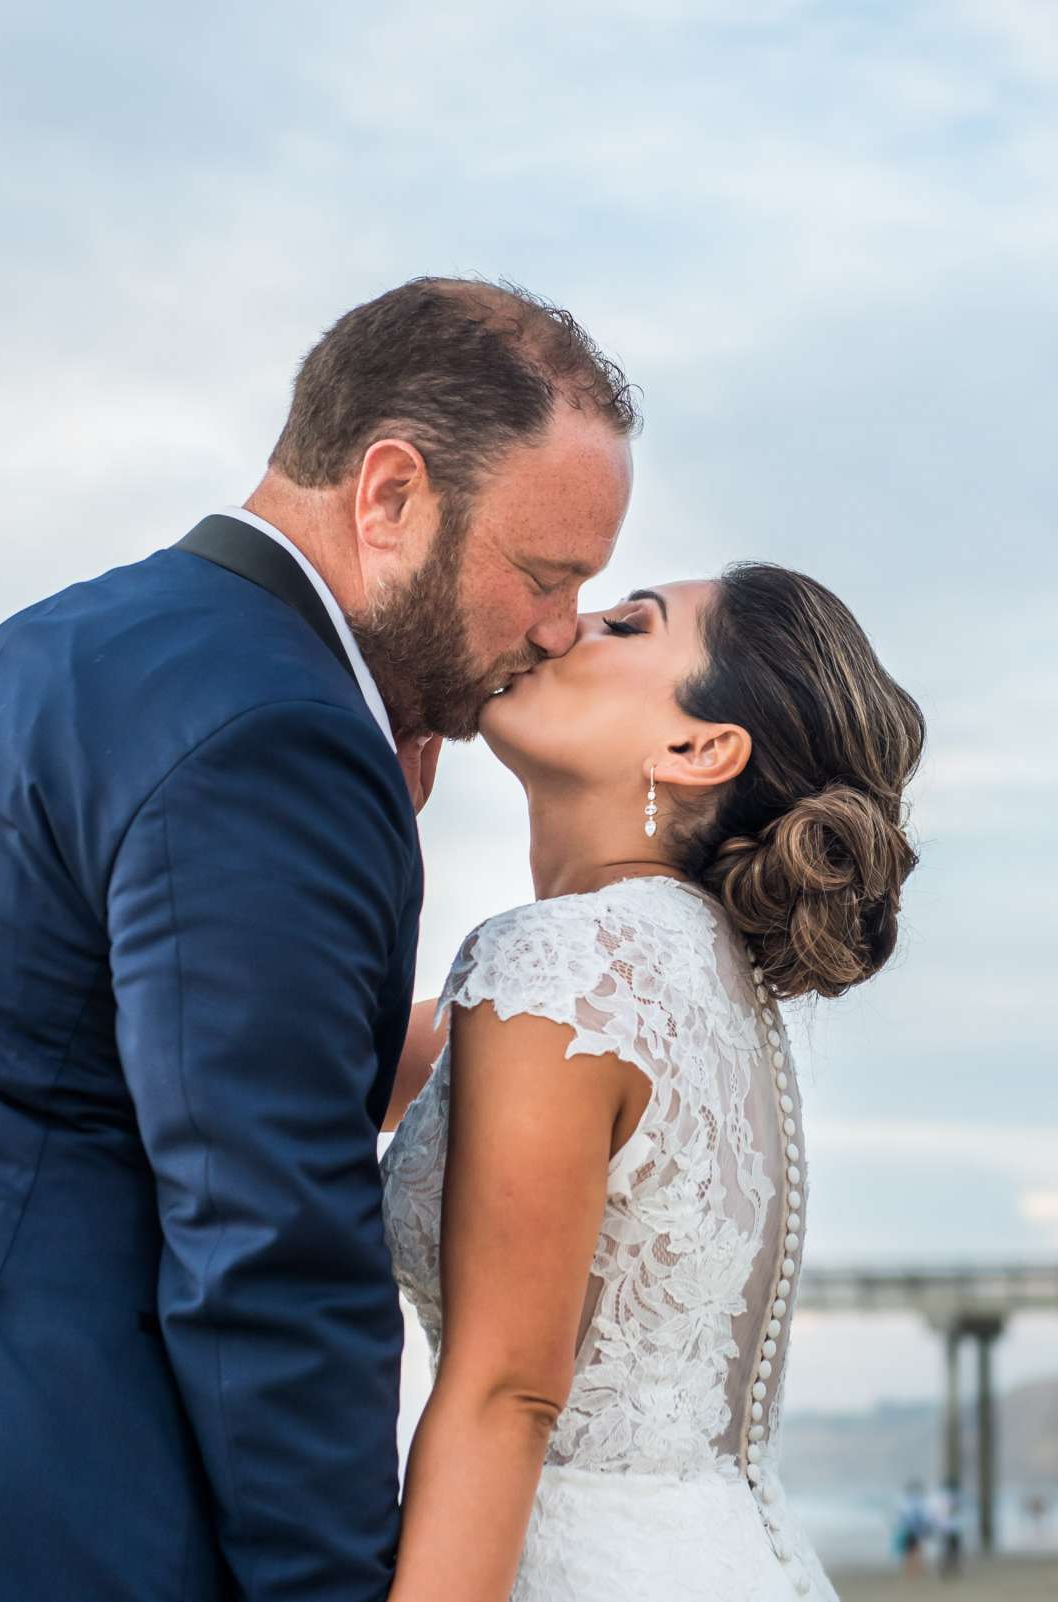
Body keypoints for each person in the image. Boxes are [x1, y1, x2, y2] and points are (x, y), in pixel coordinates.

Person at [0, 277, 638, 1602]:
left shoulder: (31, 656)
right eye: (543, 575)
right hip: (16, 1517)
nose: (558, 628)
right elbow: (266, 1239)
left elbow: (76, 1065)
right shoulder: (278, 730)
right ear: (389, 493)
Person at [378, 562, 925, 1601]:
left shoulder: (570, 969)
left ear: (697, 748)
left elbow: (506, 1395)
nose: (562, 625)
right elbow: (326, 1066)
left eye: (627, 624)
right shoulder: (699, 983)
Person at [894, 1480, 931, 1575]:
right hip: (913, 1529)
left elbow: (902, 1516)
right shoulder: (917, 1502)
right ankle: (913, 1570)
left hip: (913, 1529)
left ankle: (912, 1570)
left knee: (913, 1550)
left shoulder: (908, 1502)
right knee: (913, 1550)